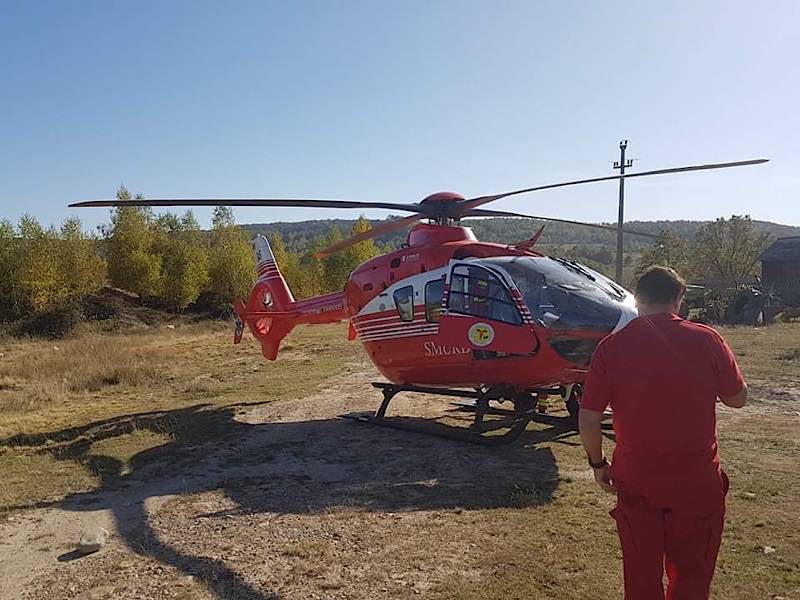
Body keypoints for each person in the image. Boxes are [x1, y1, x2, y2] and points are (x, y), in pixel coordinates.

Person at [579, 266, 747, 600]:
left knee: (640, 576)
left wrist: (597, 463)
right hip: (696, 481)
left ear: (637, 299)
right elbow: (737, 399)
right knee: (692, 575)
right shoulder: (708, 339)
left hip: (637, 480)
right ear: (678, 298)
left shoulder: (611, 347)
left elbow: (588, 417)